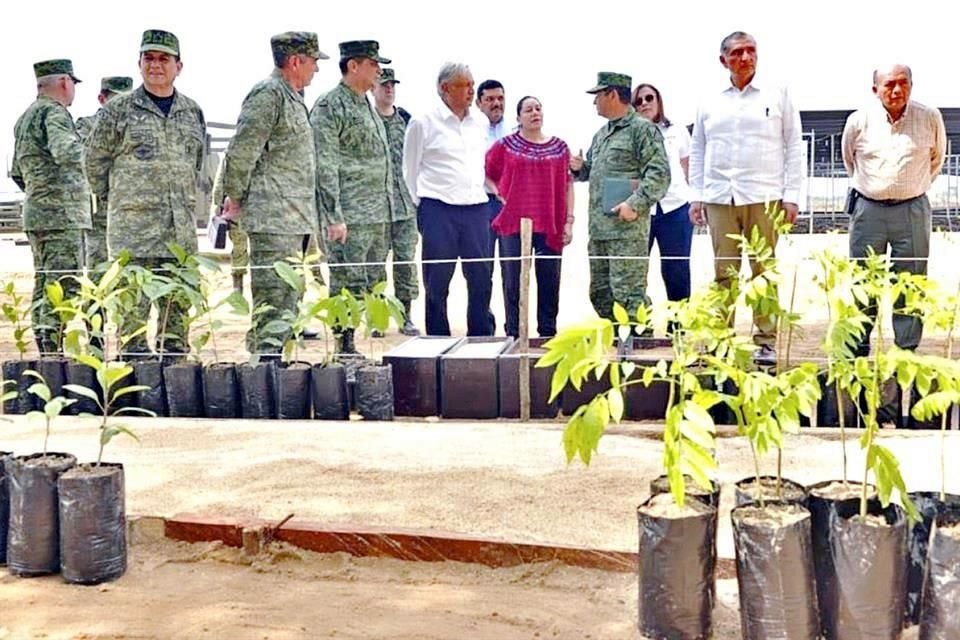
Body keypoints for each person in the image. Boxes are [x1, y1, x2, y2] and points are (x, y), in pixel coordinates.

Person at [85, 29, 206, 358]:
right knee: (132, 328)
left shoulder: (192, 111)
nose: (155, 65)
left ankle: (174, 382)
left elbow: (196, 164)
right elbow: (94, 163)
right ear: (139, 64)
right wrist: (120, 202)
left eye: (164, 59)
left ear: (179, 66)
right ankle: (133, 385)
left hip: (179, 235)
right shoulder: (117, 111)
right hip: (133, 235)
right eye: (148, 58)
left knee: (176, 326)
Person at [688, 31, 803, 363]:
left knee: (764, 271)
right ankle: (721, 340)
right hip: (720, 197)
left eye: (751, 51)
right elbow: (698, 149)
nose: (745, 58)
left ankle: (765, 341)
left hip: (764, 196)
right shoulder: (709, 100)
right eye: (737, 53)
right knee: (724, 273)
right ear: (723, 60)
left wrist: (792, 196)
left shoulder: (777, 94)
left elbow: (793, 145)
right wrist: (697, 195)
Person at [219, 32, 326, 357]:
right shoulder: (268, 94)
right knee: (273, 308)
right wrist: (234, 197)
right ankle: (264, 372)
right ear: (295, 61)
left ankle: (278, 372)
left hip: (294, 221)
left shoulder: (292, 97)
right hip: (273, 221)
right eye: (313, 61)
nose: (316, 69)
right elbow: (242, 151)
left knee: (288, 305)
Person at [842, 63, 946, 356]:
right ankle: (858, 350)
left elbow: (936, 159)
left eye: (903, 83)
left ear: (912, 85)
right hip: (868, 211)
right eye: (889, 84)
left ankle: (905, 353)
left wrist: (908, 188)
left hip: (912, 210)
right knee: (863, 280)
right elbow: (850, 160)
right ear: (875, 89)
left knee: (911, 282)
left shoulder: (929, 117)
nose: (897, 90)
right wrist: (877, 188)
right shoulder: (858, 121)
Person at [311, 40, 393, 354]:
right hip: (349, 217)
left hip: (375, 215)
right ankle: (344, 346)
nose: (379, 71)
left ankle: (356, 345)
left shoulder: (365, 104)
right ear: (353, 66)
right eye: (373, 64)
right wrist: (334, 216)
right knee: (347, 282)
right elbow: (325, 163)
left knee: (370, 281)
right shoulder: (331, 105)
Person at [570, 72, 670, 325]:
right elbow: (593, 170)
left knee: (629, 297)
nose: (595, 102)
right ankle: (617, 341)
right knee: (601, 294)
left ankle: (638, 344)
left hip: (627, 233)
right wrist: (580, 168)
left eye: (598, 95)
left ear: (612, 94)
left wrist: (635, 203)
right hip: (599, 231)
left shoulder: (642, 129)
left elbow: (659, 174)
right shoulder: (602, 134)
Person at [403, 63, 493, 337]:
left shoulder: (481, 122)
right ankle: (437, 338)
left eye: (472, 84)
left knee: (480, 277)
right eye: (465, 85)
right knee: (437, 281)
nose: (471, 91)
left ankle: (481, 337)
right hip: (438, 209)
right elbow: (409, 170)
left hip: (476, 209)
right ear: (445, 88)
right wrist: (422, 208)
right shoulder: (423, 122)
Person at [11, 59, 91, 355]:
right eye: (72, 83)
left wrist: (40, 192)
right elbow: (68, 151)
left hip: (37, 213)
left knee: (45, 281)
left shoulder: (26, 117)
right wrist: (98, 159)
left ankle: (46, 347)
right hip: (62, 216)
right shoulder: (54, 113)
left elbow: (17, 171)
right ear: (64, 82)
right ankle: (53, 348)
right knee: (64, 284)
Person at [485, 96, 573, 338]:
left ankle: (547, 334)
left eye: (538, 108)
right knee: (512, 280)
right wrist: (499, 193)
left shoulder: (560, 148)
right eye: (528, 110)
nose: (534, 113)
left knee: (549, 280)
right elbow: (486, 172)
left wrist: (569, 221)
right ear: (518, 117)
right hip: (514, 222)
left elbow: (568, 184)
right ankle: (514, 333)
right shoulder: (505, 146)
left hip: (550, 222)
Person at [632, 84, 694, 311]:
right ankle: (640, 322)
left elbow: (688, 166)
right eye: (639, 101)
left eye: (649, 98)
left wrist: (695, 200)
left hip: (676, 207)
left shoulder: (677, 130)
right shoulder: (628, 134)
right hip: (641, 209)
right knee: (636, 270)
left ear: (658, 100)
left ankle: (678, 323)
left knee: (676, 269)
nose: (645, 104)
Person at [372, 67, 420, 336]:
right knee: (375, 265)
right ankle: (377, 318)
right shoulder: (367, 118)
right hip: (374, 206)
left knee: (405, 263)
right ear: (373, 88)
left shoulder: (406, 120)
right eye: (384, 84)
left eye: (392, 85)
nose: (389, 89)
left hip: (404, 205)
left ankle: (405, 316)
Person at [76, 76, 134, 272]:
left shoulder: (139, 126)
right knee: (98, 257)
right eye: (117, 99)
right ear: (102, 99)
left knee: (131, 259)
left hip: (131, 204)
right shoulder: (87, 125)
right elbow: (85, 159)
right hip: (100, 204)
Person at [476, 78, 509, 333]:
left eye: (500, 98)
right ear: (479, 103)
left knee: (511, 267)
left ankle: (514, 327)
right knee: (481, 268)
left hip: (509, 205)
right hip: (481, 204)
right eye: (489, 99)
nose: (496, 103)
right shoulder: (471, 130)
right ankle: (483, 326)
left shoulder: (515, 129)